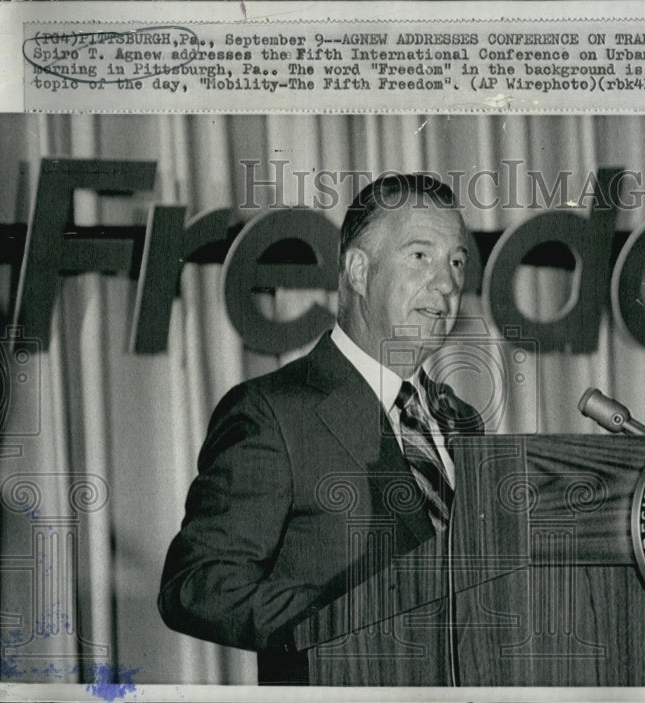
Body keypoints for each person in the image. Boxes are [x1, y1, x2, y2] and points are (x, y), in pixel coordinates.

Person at [158, 174, 483, 684]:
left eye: (457, 261)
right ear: (357, 269)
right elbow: (196, 584)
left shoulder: (463, 421)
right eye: (421, 256)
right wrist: (345, 618)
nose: (446, 284)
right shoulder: (271, 412)